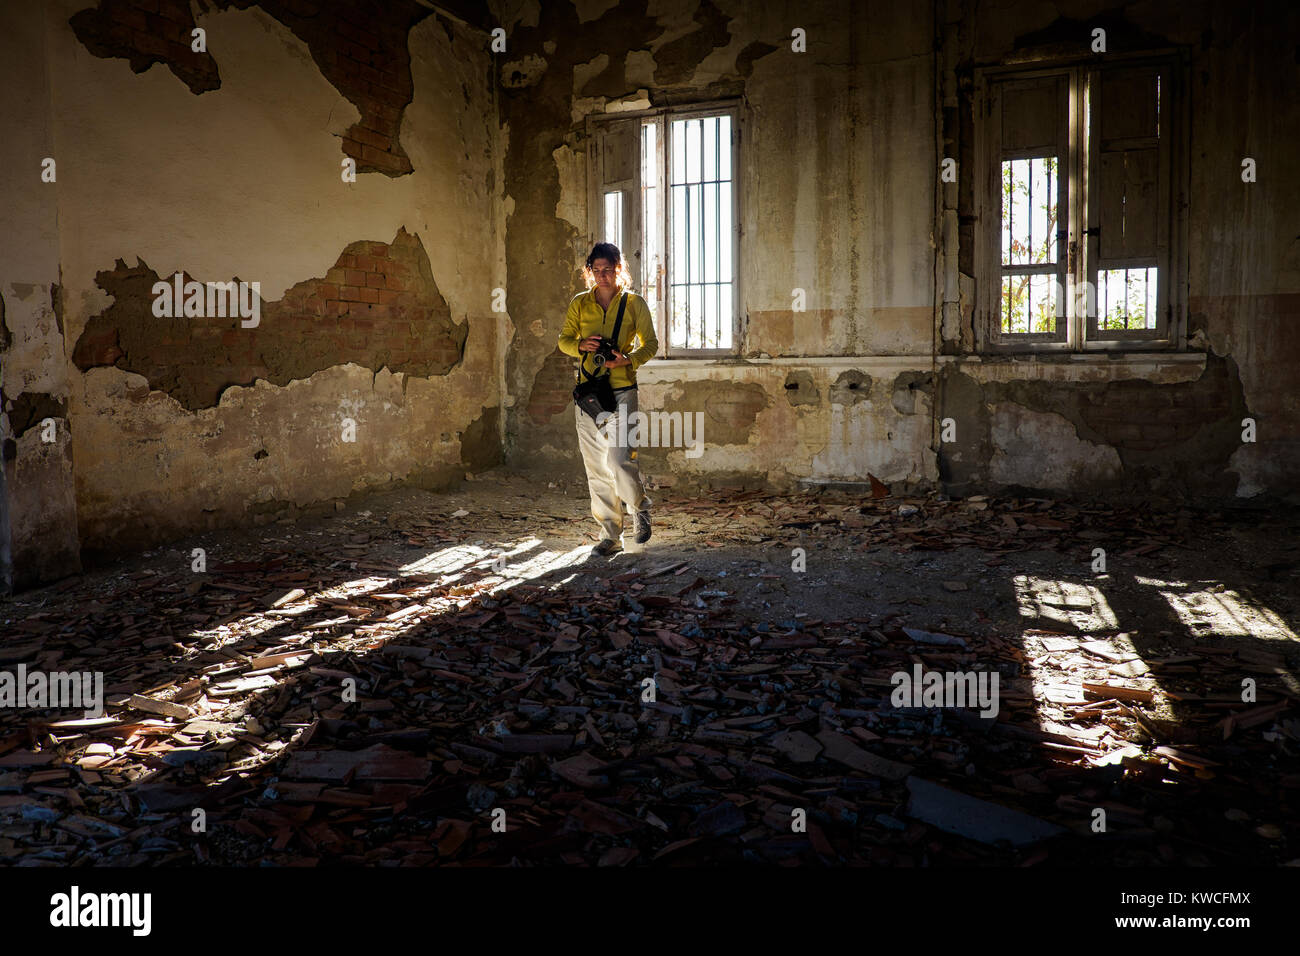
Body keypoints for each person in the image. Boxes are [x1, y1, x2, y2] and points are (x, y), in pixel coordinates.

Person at [558, 242, 658, 555]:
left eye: (608, 270)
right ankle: (611, 535)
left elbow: (651, 344)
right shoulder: (579, 303)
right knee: (597, 468)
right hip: (588, 393)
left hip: (623, 390)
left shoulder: (634, 304)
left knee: (619, 459)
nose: (602, 276)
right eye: (596, 270)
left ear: (619, 270)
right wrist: (580, 345)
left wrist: (625, 360)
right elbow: (563, 340)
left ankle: (640, 507)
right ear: (590, 272)